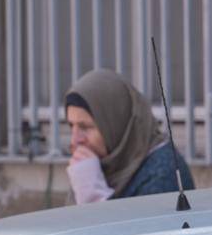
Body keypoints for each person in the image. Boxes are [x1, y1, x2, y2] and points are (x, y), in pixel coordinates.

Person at [64, 68, 194, 204]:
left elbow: (143, 224)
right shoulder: (104, 163)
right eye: (71, 126)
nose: (75, 140)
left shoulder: (162, 173)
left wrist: (94, 196)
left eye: (85, 127)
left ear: (114, 123)